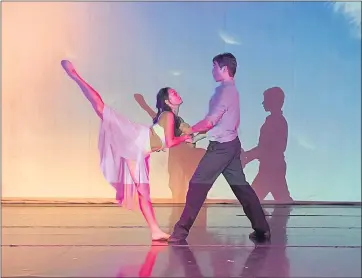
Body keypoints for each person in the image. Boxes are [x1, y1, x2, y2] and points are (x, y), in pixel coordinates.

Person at [60, 60, 190, 241]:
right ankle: (75, 75)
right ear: (168, 101)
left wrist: (191, 134)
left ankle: (155, 230)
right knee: (102, 109)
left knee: (143, 191)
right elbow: (169, 142)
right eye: (173, 93)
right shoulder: (168, 115)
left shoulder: (172, 117)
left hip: (139, 150)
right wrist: (184, 138)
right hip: (137, 140)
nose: (177, 94)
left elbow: (172, 136)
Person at [168, 53, 271, 243]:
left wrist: (190, 130)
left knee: (197, 184)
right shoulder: (232, 91)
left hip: (222, 148)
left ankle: (180, 231)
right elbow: (220, 124)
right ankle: (262, 228)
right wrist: (197, 135)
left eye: (214, 66)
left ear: (224, 69)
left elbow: (211, 121)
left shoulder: (223, 91)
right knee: (241, 187)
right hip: (231, 145)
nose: (212, 70)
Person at [242, 87, 293, 202]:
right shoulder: (277, 120)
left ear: (273, 101)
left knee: (252, 201)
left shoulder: (275, 121)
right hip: (273, 166)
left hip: (271, 168)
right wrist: (248, 156)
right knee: (282, 201)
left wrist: (248, 156)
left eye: (266, 99)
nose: (263, 103)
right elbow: (266, 147)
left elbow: (266, 148)